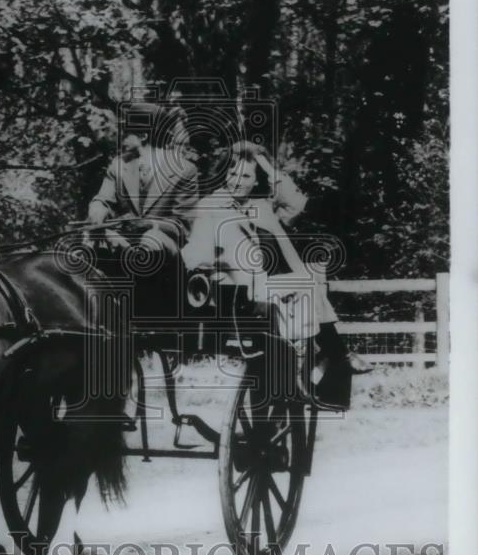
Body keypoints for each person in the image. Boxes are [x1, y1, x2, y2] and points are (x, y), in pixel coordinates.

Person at [183, 140, 371, 381]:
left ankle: (318, 360)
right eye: (231, 172)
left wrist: (265, 164)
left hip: (265, 288)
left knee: (306, 284)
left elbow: (295, 204)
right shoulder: (210, 205)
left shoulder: (262, 205)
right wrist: (207, 265)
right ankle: (334, 354)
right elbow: (197, 251)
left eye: (246, 175)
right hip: (232, 290)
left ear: (257, 180)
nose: (236, 180)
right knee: (306, 286)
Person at [86, 101, 200, 322]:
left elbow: (182, 227)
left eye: (126, 134)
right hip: (122, 237)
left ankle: (146, 315)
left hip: (163, 244)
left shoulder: (184, 170)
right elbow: (102, 200)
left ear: (144, 136)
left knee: (149, 241)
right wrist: (97, 211)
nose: (121, 139)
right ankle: (93, 314)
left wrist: (145, 224)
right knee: (86, 243)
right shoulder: (118, 166)